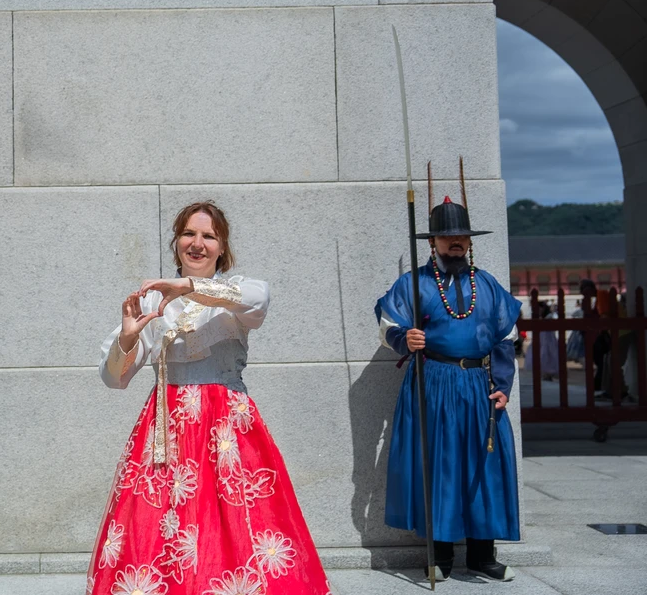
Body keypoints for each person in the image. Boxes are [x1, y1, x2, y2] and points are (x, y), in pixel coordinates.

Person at [87, 202, 331, 595]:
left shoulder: (236, 294)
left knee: (236, 524)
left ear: (221, 247)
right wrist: (129, 337)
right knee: (162, 527)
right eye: (188, 233)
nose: (197, 243)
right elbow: (114, 378)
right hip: (165, 432)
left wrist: (189, 286)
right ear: (176, 241)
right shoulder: (152, 303)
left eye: (208, 236)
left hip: (228, 431)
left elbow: (259, 297)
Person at [376, 196, 521, 582]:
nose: (456, 241)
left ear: (469, 241)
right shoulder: (415, 284)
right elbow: (388, 321)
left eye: (462, 236)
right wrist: (406, 337)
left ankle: (481, 555)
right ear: (433, 241)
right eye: (447, 235)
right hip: (433, 382)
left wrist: (502, 385)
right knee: (437, 466)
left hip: (479, 384)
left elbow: (506, 337)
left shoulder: (487, 284)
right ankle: (439, 556)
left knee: (483, 465)